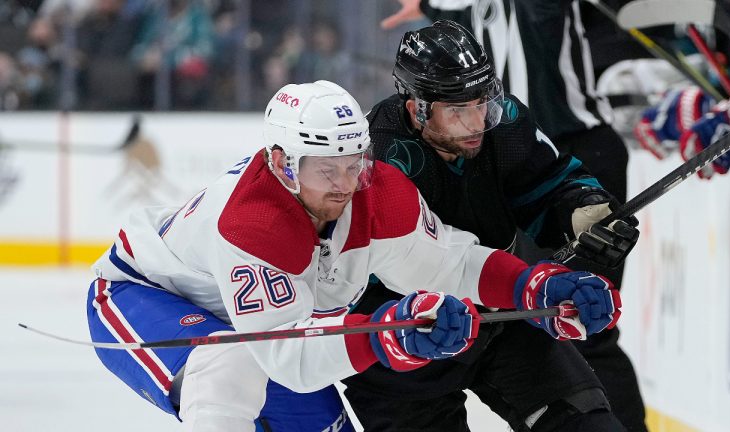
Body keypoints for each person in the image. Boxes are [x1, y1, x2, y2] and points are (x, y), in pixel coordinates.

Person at [86, 79, 623, 431]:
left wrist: (537, 285)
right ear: (281, 162)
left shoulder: (380, 190)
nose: (345, 184)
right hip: (140, 297)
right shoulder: (254, 223)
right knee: (226, 369)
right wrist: (389, 334)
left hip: (261, 321)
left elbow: (452, 264)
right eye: (326, 167)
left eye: (353, 162)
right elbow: (290, 359)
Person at [341, 21, 636, 432]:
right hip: (407, 340)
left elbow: (553, 182)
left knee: (589, 425)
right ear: (417, 108)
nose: (476, 121)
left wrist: (584, 209)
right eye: (458, 110)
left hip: (505, 315)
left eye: (481, 101)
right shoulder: (377, 155)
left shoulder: (506, 122)